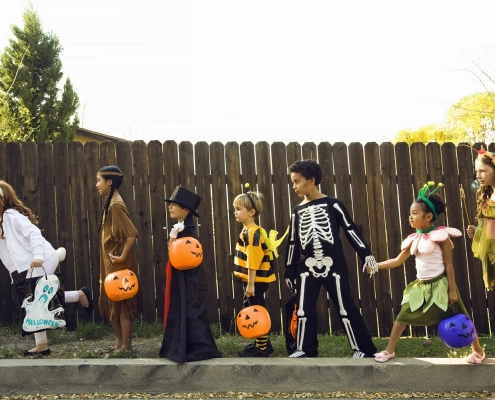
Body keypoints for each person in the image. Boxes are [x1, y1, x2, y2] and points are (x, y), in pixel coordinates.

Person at [367, 182, 485, 364]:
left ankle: (477, 351)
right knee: (402, 316)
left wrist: (452, 290)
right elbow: (398, 261)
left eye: (415, 213)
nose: (410, 217)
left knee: (462, 316)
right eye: (410, 213)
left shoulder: (441, 238)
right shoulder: (415, 239)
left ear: (428, 216)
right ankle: (389, 350)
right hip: (421, 287)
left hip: (442, 285)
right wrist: (376, 266)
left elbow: (449, 265)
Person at [284, 160, 378, 358]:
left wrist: (367, 255)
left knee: (345, 305)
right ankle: (305, 348)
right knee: (303, 309)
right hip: (307, 266)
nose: (294, 186)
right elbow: (292, 243)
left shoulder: (333, 204)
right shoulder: (297, 211)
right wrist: (289, 271)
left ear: (311, 180)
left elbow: (351, 230)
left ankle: (363, 348)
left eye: (297, 181)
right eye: (292, 182)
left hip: (333, 264)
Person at [0, 180, 92, 356]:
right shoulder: (1, 219)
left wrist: (37, 257)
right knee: (37, 300)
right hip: (33, 262)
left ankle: (42, 346)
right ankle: (80, 295)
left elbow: (33, 233)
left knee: (33, 300)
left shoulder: (11, 216)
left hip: (42, 258)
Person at [159, 186, 222, 363]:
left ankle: (202, 348)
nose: (170, 207)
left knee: (192, 312)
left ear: (185, 209)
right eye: (170, 204)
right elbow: (171, 252)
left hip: (190, 277)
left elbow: (184, 254)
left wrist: (174, 238)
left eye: (174, 204)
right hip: (182, 276)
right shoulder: (179, 228)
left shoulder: (188, 229)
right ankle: (181, 346)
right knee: (181, 309)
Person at [97, 166, 141, 354]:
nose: (96, 184)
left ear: (109, 182)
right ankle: (120, 344)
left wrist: (122, 256)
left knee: (122, 304)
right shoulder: (112, 203)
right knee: (112, 301)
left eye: (99, 180)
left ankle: (126, 346)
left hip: (119, 264)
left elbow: (131, 233)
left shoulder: (116, 206)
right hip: (110, 262)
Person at [233, 189, 279, 357]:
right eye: (235, 208)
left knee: (255, 312)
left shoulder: (251, 233)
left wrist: (251, 284)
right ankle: (263, 343)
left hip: (255, 281)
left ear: (251, 212)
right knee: (255, 309)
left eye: (239, 209)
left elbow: (254, 259)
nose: (235, 212)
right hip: (254, 280)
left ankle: (262, 348)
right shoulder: (250, 230)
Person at [466, 146, 495, 292]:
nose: (478, 176)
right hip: (490, 254)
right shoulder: (489, 195)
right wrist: (478, 230)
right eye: (477, 171)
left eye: (483, 171)